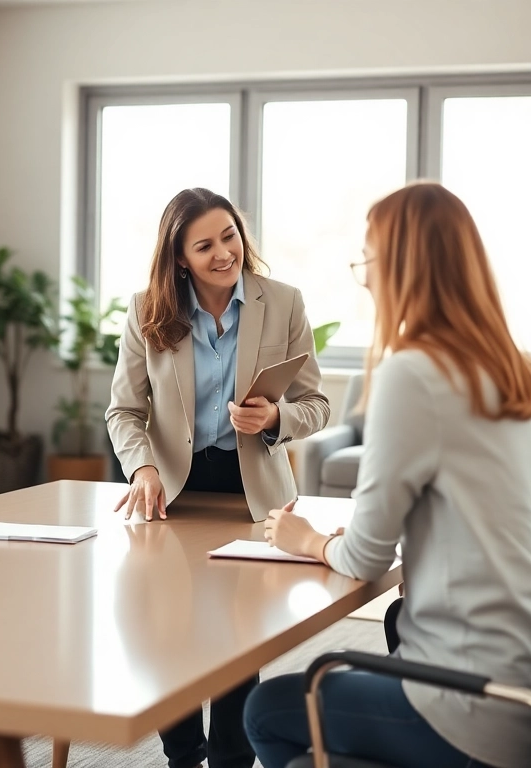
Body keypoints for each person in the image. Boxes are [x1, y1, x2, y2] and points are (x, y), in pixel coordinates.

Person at [245, 181, 531, 768]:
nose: (364, 275)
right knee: (397, 621)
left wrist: (308, 541)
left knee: (266, 710)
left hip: (476, 706)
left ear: (401, 267)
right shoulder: (500, 365)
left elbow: (367, 556)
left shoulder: (413, 374)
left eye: (368, 258)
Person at [106, 187, 330, 768]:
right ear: (179, 257)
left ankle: (233, 758)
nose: (223, 253)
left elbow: (318, 404)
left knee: (238, 631)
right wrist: (144, 467)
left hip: (251, 492)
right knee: (165, 627)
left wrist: (277, 416)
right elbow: (124, 411)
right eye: (204, 246)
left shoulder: (283, 302)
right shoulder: (147, 309)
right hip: (173, 493)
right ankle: (183, 754)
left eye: (229, 236)